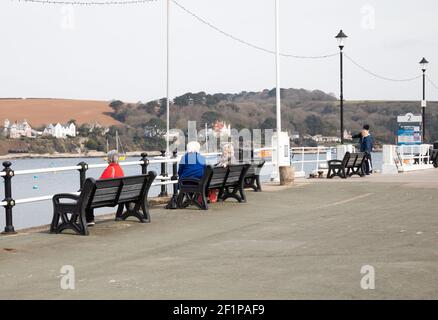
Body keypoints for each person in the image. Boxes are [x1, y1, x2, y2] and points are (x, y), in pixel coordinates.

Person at [86, 150, 125, 226]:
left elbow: (99, 183)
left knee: (87, 195)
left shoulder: (110, 169)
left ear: (110, 159)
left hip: (107, 197)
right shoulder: (120, 169)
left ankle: (89, 219)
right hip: (117, 196)